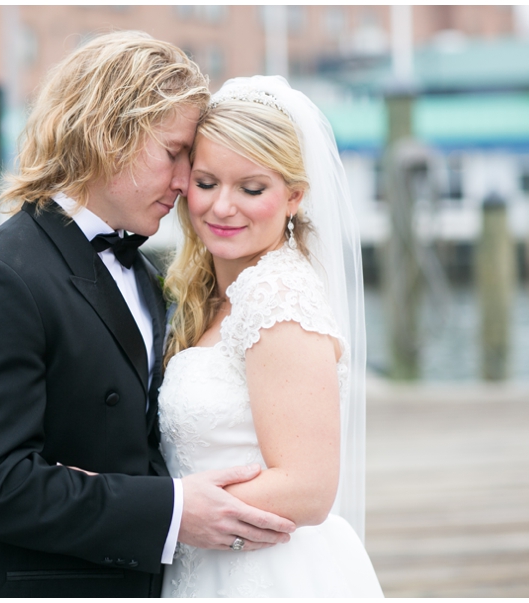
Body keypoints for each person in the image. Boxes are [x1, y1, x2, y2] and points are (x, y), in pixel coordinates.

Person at [0, 33, 295, 598]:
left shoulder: (145, 277)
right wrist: (169, 512)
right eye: (174, 153)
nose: (184, 182)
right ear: (108, 133)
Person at [158, 75, 384, 597]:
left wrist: (169, 515)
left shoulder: (277, 297)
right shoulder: (215, 290)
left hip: (265, 574)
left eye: (251, 188)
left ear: (294, 197)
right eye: (207, 182)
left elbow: (308, 488)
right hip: (203, 566)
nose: (221, 207)